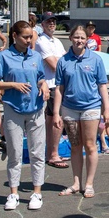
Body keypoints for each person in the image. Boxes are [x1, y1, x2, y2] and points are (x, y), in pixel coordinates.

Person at [0, 20, 49, 211]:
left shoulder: (36, 56)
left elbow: (40, 76)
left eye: (30, 36)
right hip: (13, 108)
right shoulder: (3, 57)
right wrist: (13, 85)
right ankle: (13, 193)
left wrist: (44, 85)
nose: (28, 40)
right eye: (25, 37)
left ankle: (37, 193)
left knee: (37, 152)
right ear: (14, 36)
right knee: (15, 153)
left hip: (36, 108)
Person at [53, 24, 109, 198]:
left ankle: (89, 184)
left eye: (82, 38)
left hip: (91, 108)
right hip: (70, 108)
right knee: (75, 146)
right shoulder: (63, 61)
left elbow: (102, 86)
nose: (79, 40)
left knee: (90, 145)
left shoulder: (95, 59)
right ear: (70, 38)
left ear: (87, 40)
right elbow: (59, 89)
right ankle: (76, 183)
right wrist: (56, 113)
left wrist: (106, 109)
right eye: (76, 37)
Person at [35, 12, 68, 168]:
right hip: (52, 85)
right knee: (57, 120)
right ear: (42, 24)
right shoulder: (41, 42)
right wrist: (62, 62)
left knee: (50, 121)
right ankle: (53, 154)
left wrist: (62, 62)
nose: (52, 24)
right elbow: (55, 65)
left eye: (54, 21)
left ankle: (50, 153)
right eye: (49, 21)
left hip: (58, 84)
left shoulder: (56, 41)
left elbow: (64, 61)